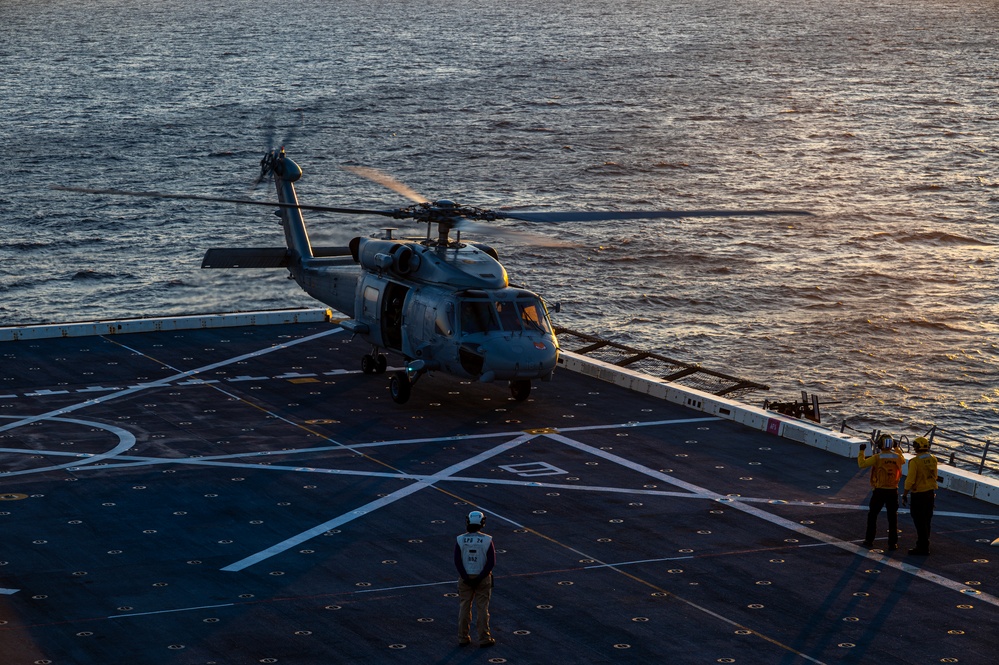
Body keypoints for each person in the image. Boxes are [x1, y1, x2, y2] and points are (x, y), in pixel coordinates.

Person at [454, 510, 496, 647]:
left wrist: (465, 577)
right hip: (482, 578)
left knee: (464, 607)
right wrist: (480, 577)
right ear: (482, 523)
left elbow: (457, 561)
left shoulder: (460, 539)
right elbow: (491, 562)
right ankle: (484, 638)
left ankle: (463, 637)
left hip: (465, 578)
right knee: (483, 608)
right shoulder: (487, 539)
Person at [857, 433, 905, 550]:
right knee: (892, 518)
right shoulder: (898, 457)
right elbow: (901, 458)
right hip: (893, 491)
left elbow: (862, 464)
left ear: (880, 444)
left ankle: (869, 540)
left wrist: (861, 451)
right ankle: (893, 543)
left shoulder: (878, 457)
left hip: (879, 491)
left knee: (873, 516)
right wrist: (897, 447)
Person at [902, 437, 939, 555]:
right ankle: (925, 543)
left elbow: (910, 480)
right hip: (929, 493)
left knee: (919, 520)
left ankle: (922, 546)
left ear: (917, 447)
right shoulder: (933, 459)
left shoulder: (915, 461)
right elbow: (935, 476)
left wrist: (905, 493)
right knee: (927, 519)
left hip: (919, 494)